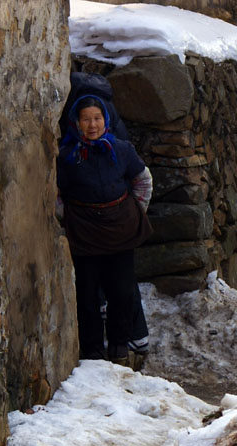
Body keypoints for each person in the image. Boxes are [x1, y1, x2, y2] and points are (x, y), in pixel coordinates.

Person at [57, 95, 153, 364]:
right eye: (86, 119)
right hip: (85, 235)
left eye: (97, 118)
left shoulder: (121, 149)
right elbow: (56, 193)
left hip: (119, 233)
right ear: (76, 122)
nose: (92, 125)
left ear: (105, 120)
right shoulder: (67, 156)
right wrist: (67, 217)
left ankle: (119, 345)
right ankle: (93, 349)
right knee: (87, 293)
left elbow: (142, 180)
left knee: (121, 292)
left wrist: (135, 212)